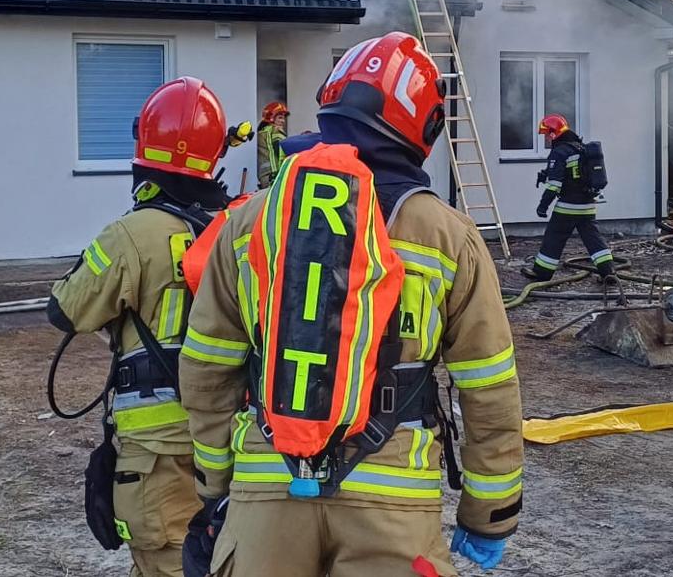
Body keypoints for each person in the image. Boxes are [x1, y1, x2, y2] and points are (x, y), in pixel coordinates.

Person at [179, 33, 524, 576]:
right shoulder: (447, 234)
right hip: (393, 503)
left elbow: (206, 369)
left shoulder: (246, 222)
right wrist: (489, 514)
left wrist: (218, 485)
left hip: (267, 489)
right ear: (425, 127)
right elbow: (488, 387)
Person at [47, 77, 236, 577]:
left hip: (156, 448)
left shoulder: (133, 233)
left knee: (167, 561)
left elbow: (66, 309)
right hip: (228, 437)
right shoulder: (238, 227)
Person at [523, 114, 615, 286]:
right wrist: (546, 174)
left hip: (568, 207)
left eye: (546, 135)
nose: (546, 139)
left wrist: (542, 206)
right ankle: (609, 273)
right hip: (587, 206)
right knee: (593, 239)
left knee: (554, 237)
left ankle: (541, 274)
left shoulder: (559, 152)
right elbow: (575, 175)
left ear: (553, 133)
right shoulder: (579, 148)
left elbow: (554, 186)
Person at [258, 101, 290, 188]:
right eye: (280, 118)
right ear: (271, 118)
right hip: (275, 175)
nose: (283, 121)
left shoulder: (262, 132)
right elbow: (283, 151)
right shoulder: (275, 130)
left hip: (264, 177)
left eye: (283, 118)